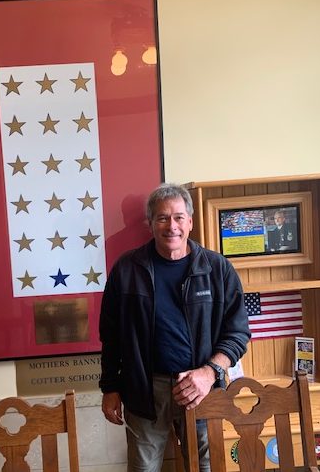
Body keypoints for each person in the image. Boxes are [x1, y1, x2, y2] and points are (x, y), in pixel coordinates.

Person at [99, 183, 250, 472]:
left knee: (205, 467)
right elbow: (111, 334)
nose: (172, 226)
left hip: (202, 390)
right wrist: (110, 388)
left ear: (190, 222)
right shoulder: (126, 269)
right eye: (162, 218)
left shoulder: (218, 269)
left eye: (179, 217)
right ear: (151, 223)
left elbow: (238, 332)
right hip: (144, 389)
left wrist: (209, 373)